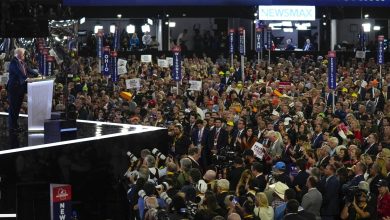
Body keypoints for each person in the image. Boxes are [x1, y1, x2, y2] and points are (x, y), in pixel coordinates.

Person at [7, 48, 38, 133]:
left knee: (17, 108)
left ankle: (15, 126)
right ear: (19, 54)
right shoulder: (14, 62)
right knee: (13, 108)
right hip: (14, 89)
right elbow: (19, 73)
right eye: (23, 54)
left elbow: (28, 69)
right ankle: (12, 127)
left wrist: (38, 74)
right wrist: (27, 78)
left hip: (21, 88)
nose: (25, 55)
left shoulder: (22, 62)